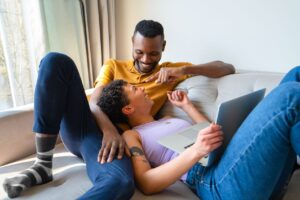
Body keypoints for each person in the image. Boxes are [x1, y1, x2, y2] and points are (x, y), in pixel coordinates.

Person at [2, 19, 234, 199]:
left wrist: (185, 71)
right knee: (56, 61)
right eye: (139, 51)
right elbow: (94, 101)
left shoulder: (171, 71)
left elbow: (225, 67)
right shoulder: (113, 66)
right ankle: (43, 164)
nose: (145, 59)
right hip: (89, 126)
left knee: (121, 183)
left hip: (115, 146)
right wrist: (110, 131)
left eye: (154, 53)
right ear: (132, 42)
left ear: (163, 47)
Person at [97, 66, 300, 200]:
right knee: (290, 94)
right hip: (213, 181)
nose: (141, 89)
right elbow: (147, 183)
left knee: (296, 74)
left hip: (230, 162)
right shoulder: (132, 136)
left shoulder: (167, 119)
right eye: (134, 89)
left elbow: (211, 132)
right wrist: (195, 151)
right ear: (128, 109)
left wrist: (187, 106)